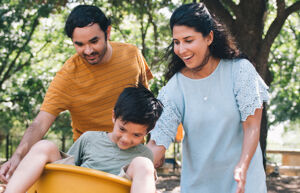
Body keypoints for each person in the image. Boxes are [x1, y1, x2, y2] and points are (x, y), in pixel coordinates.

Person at [0, 5, 153, 183]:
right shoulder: (67, 76)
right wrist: (17, 157)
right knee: (44, 147)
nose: (88, 51)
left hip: (129, 157)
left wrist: (154, 145)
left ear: (108, 32)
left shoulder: (132, 56)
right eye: (79, 44)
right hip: (88, 158)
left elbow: (146, 103)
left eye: (94, 41)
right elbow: (40, 123)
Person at [147, 3, 269, 193]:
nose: (181, 49)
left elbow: (252, 125)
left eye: (188, 40)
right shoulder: (175, 88)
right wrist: (137, 169)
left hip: (244, 183)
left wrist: (242, 167)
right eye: (176, 42)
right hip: (199, 187)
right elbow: (157, 143)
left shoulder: (240, 71)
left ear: (209, 37)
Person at [3, 84, 163, 193]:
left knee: (144, 163)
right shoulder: (90, 138)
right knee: (45, 145)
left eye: (137, 135)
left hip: (115, 187)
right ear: (114, 116)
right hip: (77, 187)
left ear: (148, 131)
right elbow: (67, 171)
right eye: (122, 129)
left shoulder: (143, 155)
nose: (126, 139)